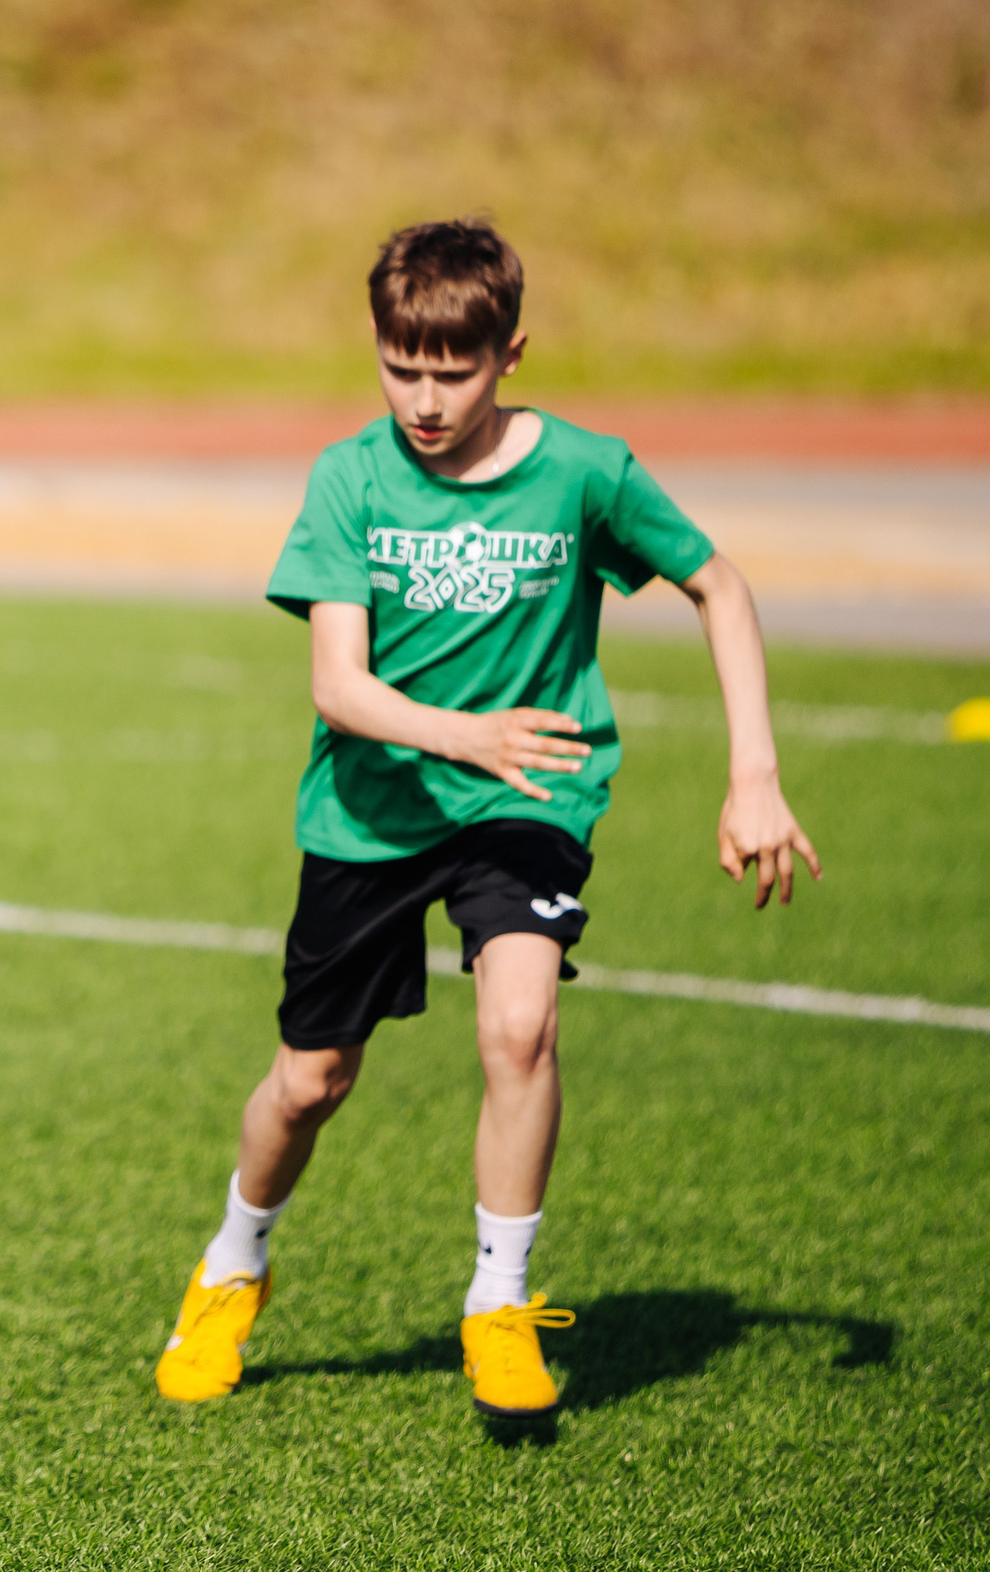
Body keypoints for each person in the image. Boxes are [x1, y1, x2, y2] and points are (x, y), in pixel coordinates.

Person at [153, 219, 821, 1420]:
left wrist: (753, 772)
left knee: (519, 1028)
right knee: (310, 1080)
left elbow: (718, 584)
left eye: (449, 371)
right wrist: (466, 732)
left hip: (528, 800)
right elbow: (338, 688)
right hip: (372, 811)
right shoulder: (350, 477)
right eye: (399, 366)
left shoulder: (583, 471)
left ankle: (500, 1305)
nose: (421, 397)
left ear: (509, 353)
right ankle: (233, 1262)